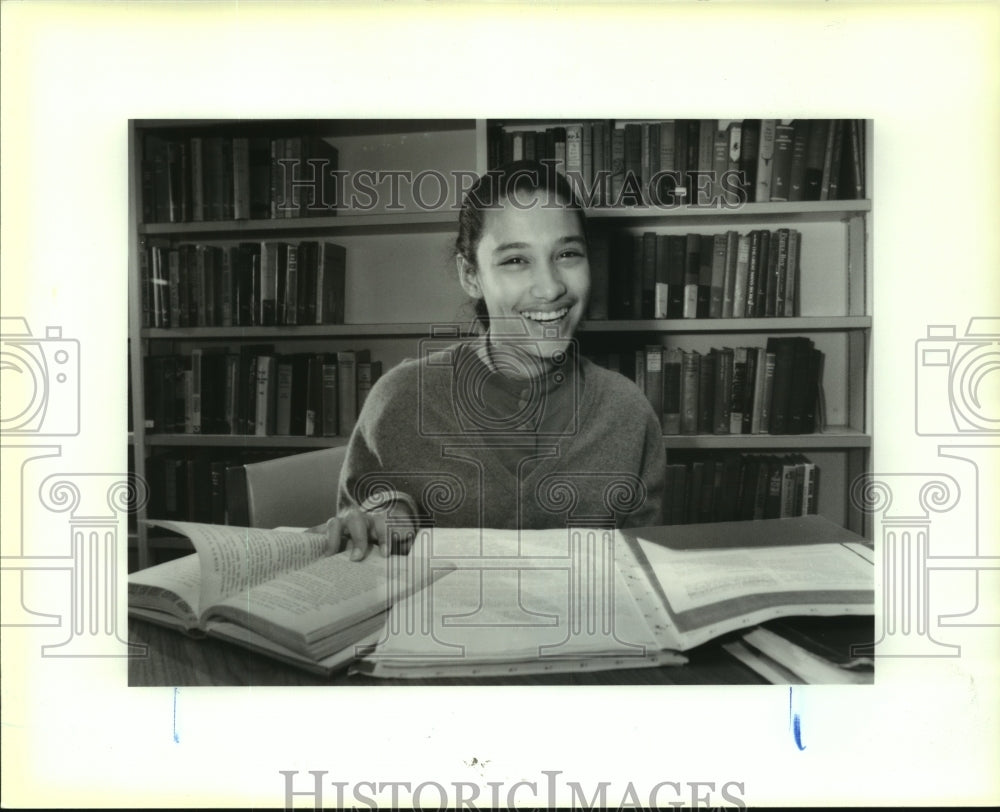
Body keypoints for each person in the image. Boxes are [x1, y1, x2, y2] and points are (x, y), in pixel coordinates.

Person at [322, 160, 666, 560]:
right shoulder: (399, 401)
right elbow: (356, 540)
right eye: (516, 260)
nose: (551, 287)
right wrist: (385, 514)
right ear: (471, 275)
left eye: (568, 253)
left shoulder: (628, 413)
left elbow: (642, 580)